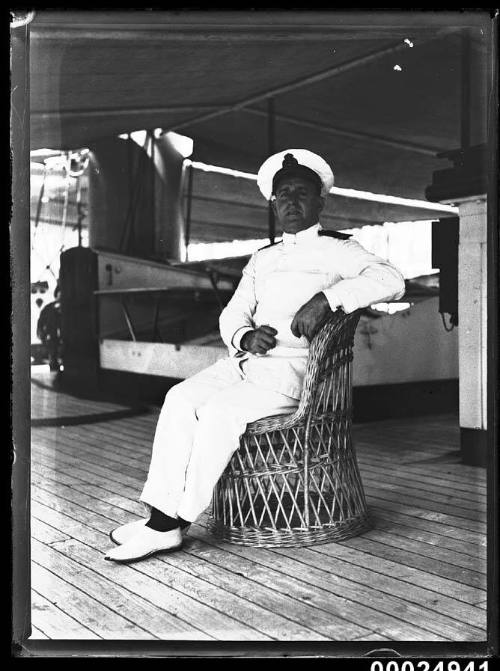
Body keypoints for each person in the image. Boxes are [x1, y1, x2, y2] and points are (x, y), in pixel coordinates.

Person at [105, 149, 405, 563]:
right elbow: (233, 312)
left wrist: (328, 298)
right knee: (179, 398)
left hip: (294, 374)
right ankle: (159, 514)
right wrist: (245, 337)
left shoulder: (339, 250)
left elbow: (391, 280)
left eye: (301, 193)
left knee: (218, 413)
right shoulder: (263, 258)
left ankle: (172, 524)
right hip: (245, 365)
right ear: (274, 203)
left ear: (321, 202)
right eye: (283, 195)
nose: (291, 202)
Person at [36, 285, 62, 371]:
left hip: (66, 338)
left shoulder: (71, 309)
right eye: (59, 293)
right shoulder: (48, 308)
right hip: (52, 337)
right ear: (56, 294)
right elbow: (40, 322)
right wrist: (42, 335)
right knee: (53, 358)